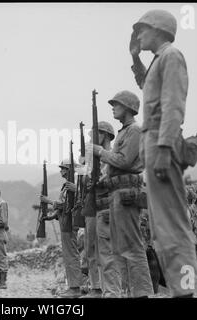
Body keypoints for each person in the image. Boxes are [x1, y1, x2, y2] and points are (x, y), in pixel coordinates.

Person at [130, 9, 197, 297]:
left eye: (142, 30)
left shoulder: (171, 56)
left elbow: (173, 106)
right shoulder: (160, 60)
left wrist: (162, 148)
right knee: (163, 228)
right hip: (156, 147)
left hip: (163, 147)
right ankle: (182, 290)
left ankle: (187, 290)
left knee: (173, 225)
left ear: (159, 29)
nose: (138, 35)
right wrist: (135, 58)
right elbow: (149, 89)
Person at [87, 90, 154, 298]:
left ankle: (141, 293)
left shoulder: (135, 130)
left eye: (117, 104)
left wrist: (99, 151)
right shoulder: (125, 131)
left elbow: (124, 161)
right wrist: (103, 180)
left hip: (126, 194)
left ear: (128, 107)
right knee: (119, 250)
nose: (113, 107)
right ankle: (129, 292)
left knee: (132, 246)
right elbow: (119, 167)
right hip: (118, 193)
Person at [80, 121, 123, 298]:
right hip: (94, 205)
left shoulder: (112, 155)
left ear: (104, 135)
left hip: (108, 206)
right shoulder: (93, 158)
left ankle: (110, 290)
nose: (90, 138)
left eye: (93, 134)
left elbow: (106, 179)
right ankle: (99, 288)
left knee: (108, 252)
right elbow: (85, 182)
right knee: (93, 248)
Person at [40, 159, 84, 298]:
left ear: (68, 170)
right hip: (65, 223)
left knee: (71, 255)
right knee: (68, 255)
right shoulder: (66, 186)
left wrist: (48, 201)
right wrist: (52, 216)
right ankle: (72, 286)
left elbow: (68, 204)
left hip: (70, 224)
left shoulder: (74, 186)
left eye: (63, 168)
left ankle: (75, 287)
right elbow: (63, 207)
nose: (61, 171)